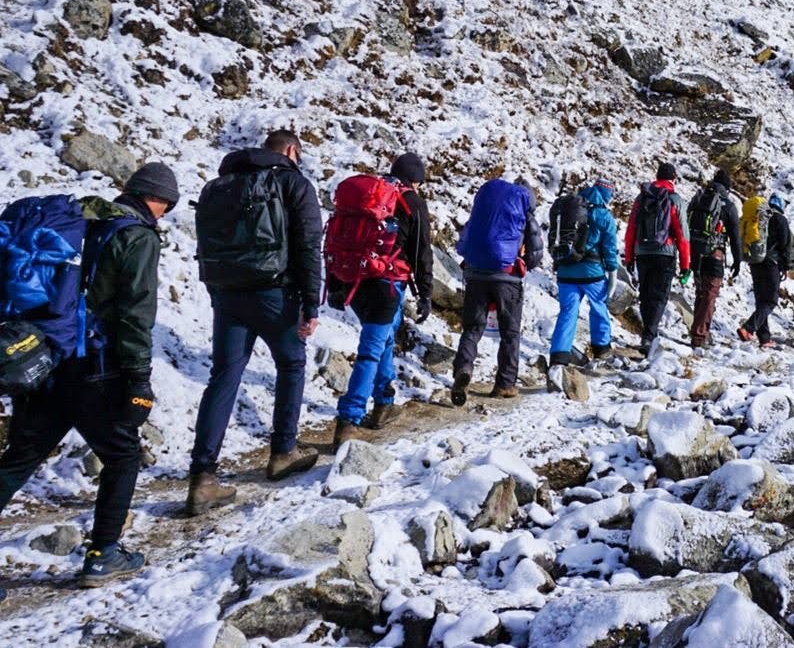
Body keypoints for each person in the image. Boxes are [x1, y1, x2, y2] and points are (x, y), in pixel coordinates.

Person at [0, 162, 177, 588]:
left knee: (20, 458)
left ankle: (105, 552)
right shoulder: (136, 236)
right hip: (95, 367)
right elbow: (136, 312)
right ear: (160, 202)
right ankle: (104, 554)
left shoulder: (86, 219)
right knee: (123, 456)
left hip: (46, 359)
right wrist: (138, 378)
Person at [188, 130, 323, 516]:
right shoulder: (292, 182)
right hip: (274, 292)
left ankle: (203, 476)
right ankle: (283, 451)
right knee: (291, 364)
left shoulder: (220, 184)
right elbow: (308, 245)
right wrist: (312, 304)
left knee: (225, 374)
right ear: (292, 151)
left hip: (226, 292)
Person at [329, 152, 434, 446]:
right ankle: (349, 419)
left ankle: (385, 401)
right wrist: (425, 293)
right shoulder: (412, 202)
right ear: (416, 180)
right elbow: (421, 251)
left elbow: (340, 239)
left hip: (353, 279)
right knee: (370, 350)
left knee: (385, 337)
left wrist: (336, 284)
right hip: (386, 284)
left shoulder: (368, 198)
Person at [452, 174, 544, 405]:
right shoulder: (524, 214)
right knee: (510, 333)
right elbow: (535, 250)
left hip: (475, 274)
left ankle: (463, 368)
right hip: (508, 277)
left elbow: (463, 240)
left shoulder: (485, 210)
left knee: (472, 328)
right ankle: (505, 384)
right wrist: (527, 264)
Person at [548, 179, 619, 366]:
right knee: (598, 307)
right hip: (591, 273)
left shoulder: (568, 209)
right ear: (606, 195)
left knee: (567, 312)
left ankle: (559, 355)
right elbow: (610, 248)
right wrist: (613, 272)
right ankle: (601, 348)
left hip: (565, 271)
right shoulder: (603, 215)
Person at [622, 162, 691, 352]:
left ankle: (648, 333)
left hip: (642, 252)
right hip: (665, 253)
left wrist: (629, 258)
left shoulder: (642, 197)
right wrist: (686, 264)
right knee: (659, 296)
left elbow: (631, 230)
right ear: (673, 179)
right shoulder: (675, 199)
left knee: (645, 294)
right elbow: (683, 235)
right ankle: (649, 335)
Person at [685, 169, 742, 349]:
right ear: (727, 188)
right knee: (710, 295)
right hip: (714, 253)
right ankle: (700, 337)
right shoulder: (728, 205)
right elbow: (735, 236)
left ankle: (697, 331)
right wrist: (738, 260)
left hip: (695, 251)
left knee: (700, 291)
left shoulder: (698, 198)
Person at [739, 194, 794, 349]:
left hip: (756, 261)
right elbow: (784, 245)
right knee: (770, 301)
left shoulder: (760, 216)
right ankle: (748, 328)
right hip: (771, 264)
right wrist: (785, 266)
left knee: (761, 301)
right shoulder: (780, 219)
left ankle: (764, 338)